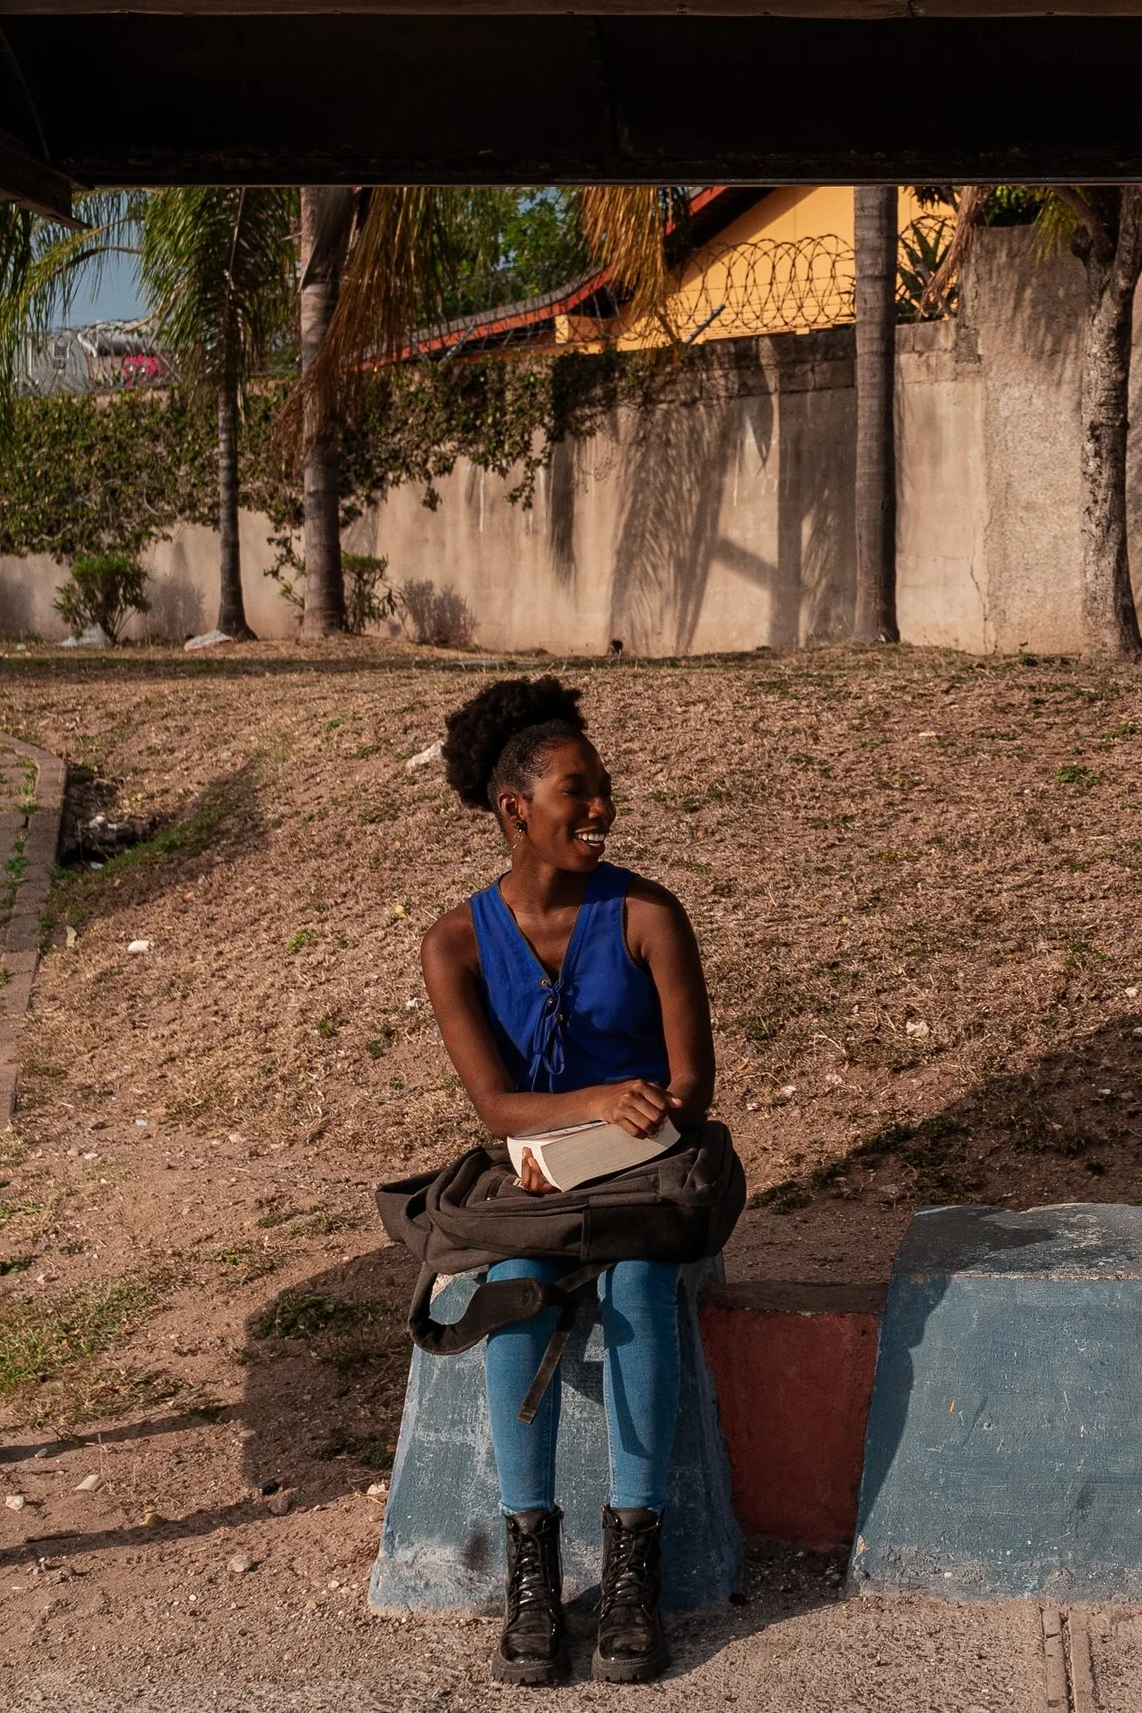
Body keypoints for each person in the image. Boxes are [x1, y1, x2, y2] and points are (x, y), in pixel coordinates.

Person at [421, 677, 716, 1687]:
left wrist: (640, 1111)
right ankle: (532, 1566)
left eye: (604, 790)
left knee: (636, 1284)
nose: (600, 810)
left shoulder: (645, 912)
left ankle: (632, 1563)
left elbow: (690, 1085)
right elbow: (497, 1109)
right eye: (576, 792)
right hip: (543, 1182)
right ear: (516, 810)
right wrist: (597, 1101)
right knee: (514, 1288)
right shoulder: (453, 942)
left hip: (648, 1175)